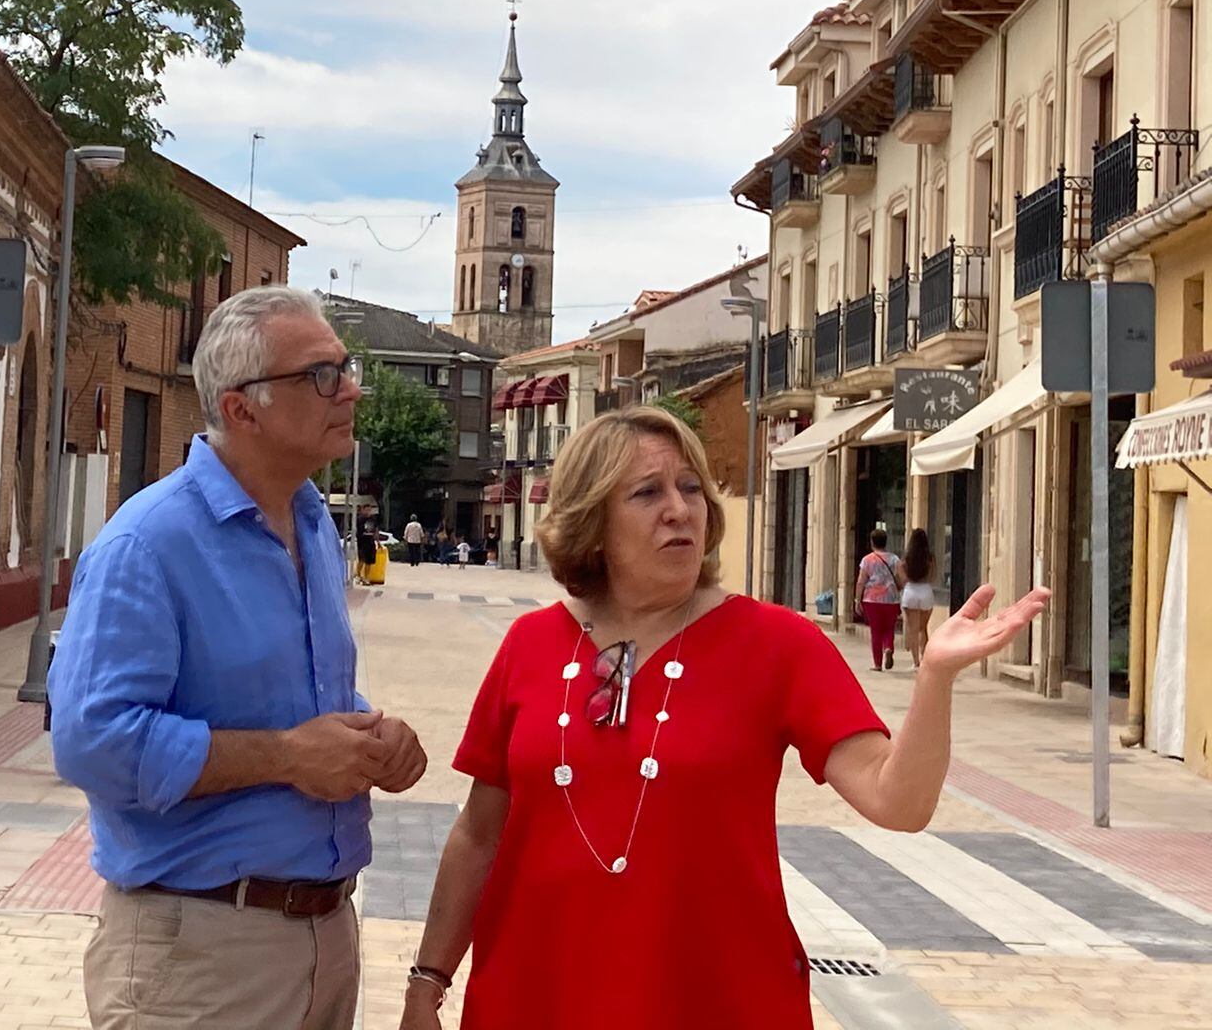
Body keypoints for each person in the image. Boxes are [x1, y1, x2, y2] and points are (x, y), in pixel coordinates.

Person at [397, 406, 1047, 1030]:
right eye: (647, 493)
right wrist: (428, 980)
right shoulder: (529, 646)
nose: (680, 509)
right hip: (534, 998)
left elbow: (897, 801)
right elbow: (479, 834)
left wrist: (935, 677)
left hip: (717, 1000)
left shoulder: (778, 646)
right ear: (590, 519)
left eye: (691, 488)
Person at [51, 286, 428, 1030]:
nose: (350, 389)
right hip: (201, 957)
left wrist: (369, 740)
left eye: (346, 368)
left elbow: (285, 704)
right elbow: (92, 743)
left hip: (326, 939)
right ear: (240, 408)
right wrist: (287, 756)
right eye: (321, 375)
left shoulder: (315, 525)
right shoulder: (149, 544)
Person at [856, 526, 906, 672]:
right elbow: (902, 578)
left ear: (872, 542)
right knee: (889, 628)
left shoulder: (867, 560)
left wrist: (857, 599)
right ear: (885, 542)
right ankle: (889, 647)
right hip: (891, 599)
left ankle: (877, 664)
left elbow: (861, 581)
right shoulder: (894, 559)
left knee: (876, 631)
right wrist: (898, 588)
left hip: (872, 600)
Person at [901, 527, 936, 670]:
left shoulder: (907, 558)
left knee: (913, 630)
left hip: (911, 591)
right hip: (925, 591)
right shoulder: (930, 557)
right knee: (923, 629)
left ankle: (916, 662)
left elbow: (903, 577)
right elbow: (933, 576)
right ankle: (925, 659)